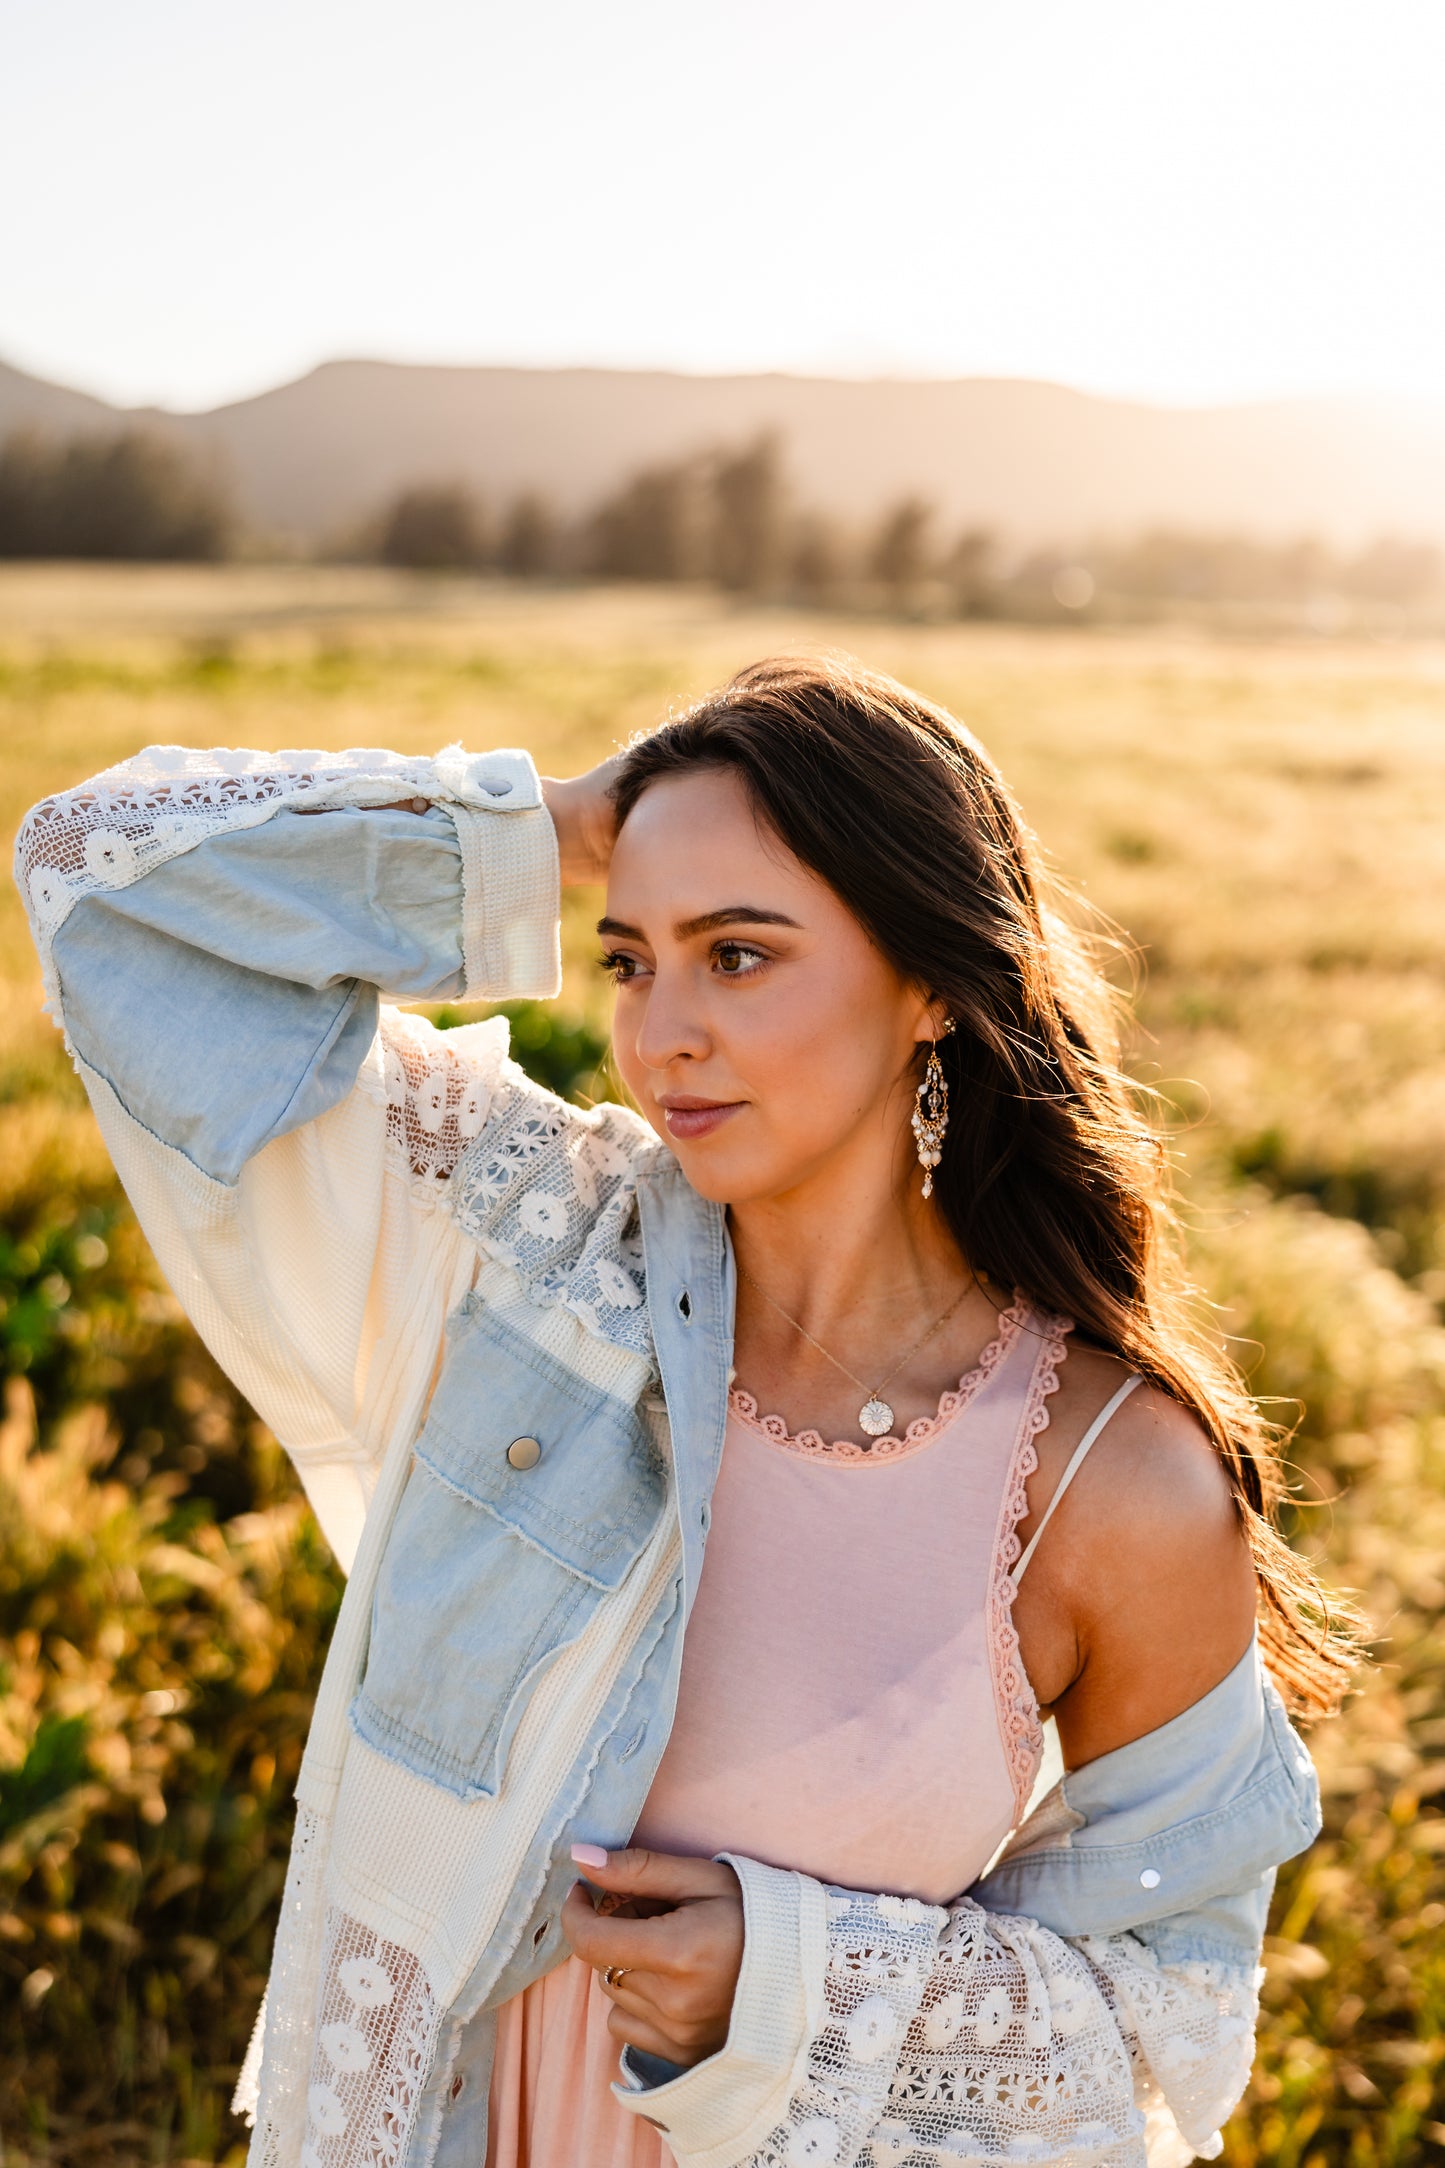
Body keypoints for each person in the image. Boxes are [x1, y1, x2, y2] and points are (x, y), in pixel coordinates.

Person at [16, 656, 1344, 2168]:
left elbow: (1161, 2027)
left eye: (739, 954)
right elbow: (91, 881)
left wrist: (782, 1987)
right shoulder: (523, 1253)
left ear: (926, 986)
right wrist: (563, 831)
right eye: (629, 959)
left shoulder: (1115, 1483)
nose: (660, 1038)